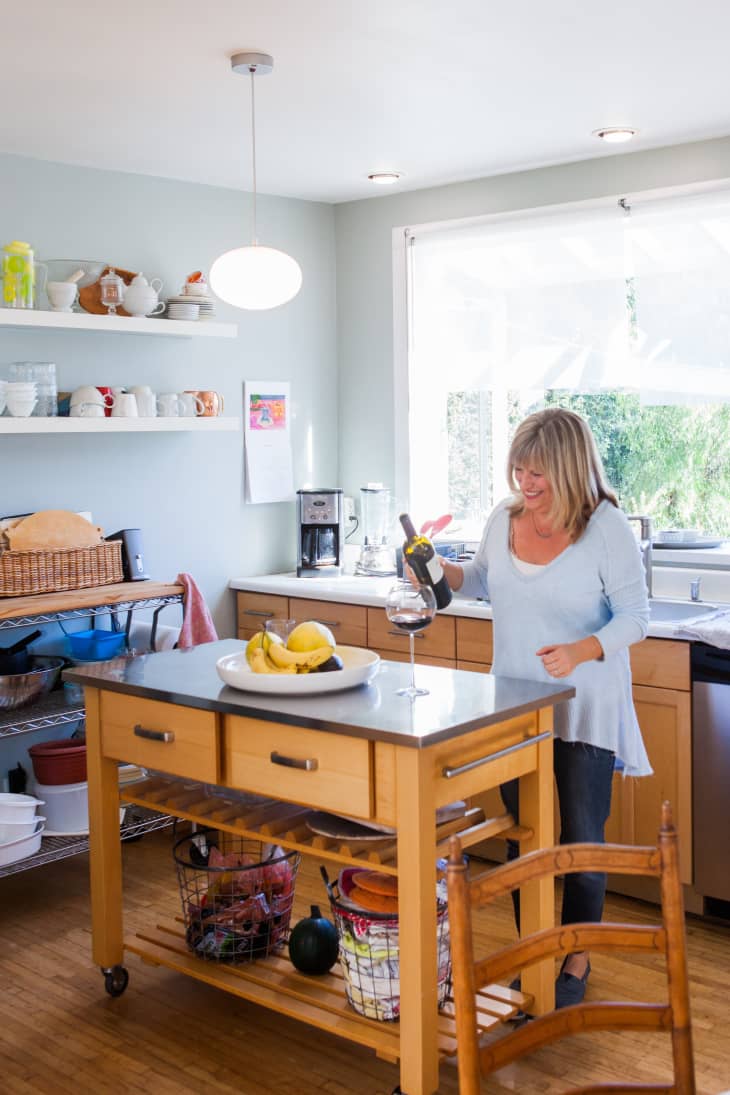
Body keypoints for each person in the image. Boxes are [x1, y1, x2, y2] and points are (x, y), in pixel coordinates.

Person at [438, 407, 651, 1009]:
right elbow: (479, 581)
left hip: (586, 705)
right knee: (523, 840)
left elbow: (638, 617)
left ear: (571, 469)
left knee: (581, 842)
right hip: (517, 707)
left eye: (539, 476)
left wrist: (583, 649)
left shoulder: (605, 528)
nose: (526, 487)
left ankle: (575, 959)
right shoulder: (504, 518)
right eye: (519, 472)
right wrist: (438, 569)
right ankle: (534, 954)